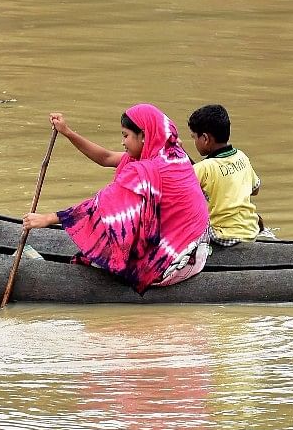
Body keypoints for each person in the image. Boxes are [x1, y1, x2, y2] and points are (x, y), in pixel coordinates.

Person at [22, 104, 210, 293]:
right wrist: (68, 132)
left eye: (125, 135)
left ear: (144, 136)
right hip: (197, 251)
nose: (123, 142)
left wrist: (48, 218)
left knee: (104, 246)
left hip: (176, 263)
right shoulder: (172, 154)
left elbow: (98, 207)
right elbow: (105, 158)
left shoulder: (149, 170)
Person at [187, 104, 263, 246]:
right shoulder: (241, 156)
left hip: (222, 236)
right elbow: (255, 189)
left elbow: (181, 191)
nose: (194, 142)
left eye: (194, 137)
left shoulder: (203, 168)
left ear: (205, 138)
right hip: (250, 230)